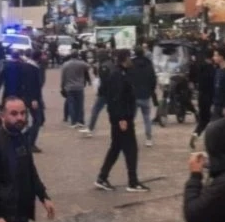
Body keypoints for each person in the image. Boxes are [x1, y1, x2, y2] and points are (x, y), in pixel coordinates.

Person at [96, 50, 148, 193]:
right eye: (130, 58)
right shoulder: (118, 75)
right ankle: (132, 181)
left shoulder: (121, 73)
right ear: (125, 59)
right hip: (122, 119)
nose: (132, 60)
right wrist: (122, 118)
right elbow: (117, 98)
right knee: (131, 149)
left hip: (120, 117)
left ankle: (102, 177)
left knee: (116, 148)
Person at [129, 46, 160, 147]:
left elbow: (127, 79)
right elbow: (153, 79)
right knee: (147, 118)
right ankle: (148, 138)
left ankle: (130, 138)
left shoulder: (131, 63)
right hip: (145, 95)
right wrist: (151, 91)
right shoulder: (149, 63)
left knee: (131, 118)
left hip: (133, 95)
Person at [59, 52, 91, 132]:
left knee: (71, 104)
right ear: (77, 56)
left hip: (69, 87)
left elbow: (63, 77)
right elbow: (89, 67)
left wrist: (62, 86)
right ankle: (80, 120)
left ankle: (73, 122)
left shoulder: (65, 64)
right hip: (79, 87)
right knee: (80, 104)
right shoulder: (81, 63)